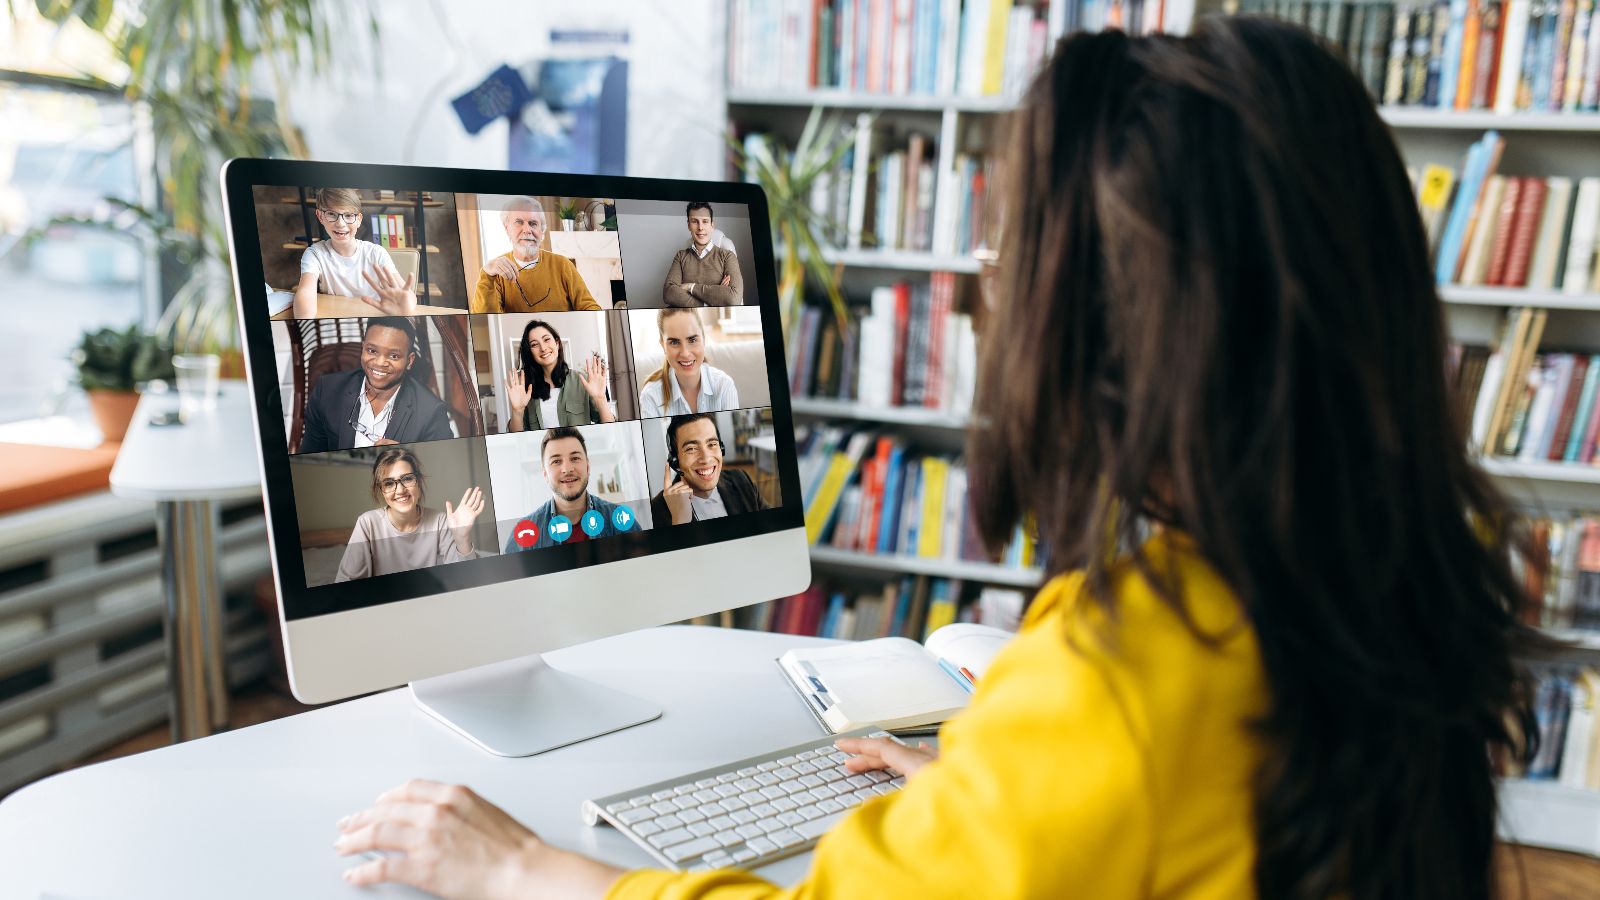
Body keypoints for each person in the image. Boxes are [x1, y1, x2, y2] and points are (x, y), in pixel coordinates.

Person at [333, 20, 1539, 899]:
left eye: (1012, 256)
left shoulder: (1126, 677)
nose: (983, 290)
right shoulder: (1396, 577)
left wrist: (522, 869)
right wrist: (995, 806)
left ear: (1123, 335)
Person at [298, 317, 455, 454]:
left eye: (394, 356)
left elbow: (443, 468)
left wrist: (407, 457)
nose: (379, 363)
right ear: (363, 348)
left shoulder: (432, 412)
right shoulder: (327, 390)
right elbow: (309, 454)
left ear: (409, 361)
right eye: (372, 351)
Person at [334, 448, 486, 582]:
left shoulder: (439, 521)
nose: (400, 490)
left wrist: (462, 538)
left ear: (419, 483)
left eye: (407, 479)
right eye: (389, 483)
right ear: (381, 491)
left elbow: (468, 577)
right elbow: (345, 583)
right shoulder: (368, 523)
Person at [291, 187, 418, 319]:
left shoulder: (376, 253)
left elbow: (405, 294)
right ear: (320, 216)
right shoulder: (315, 253)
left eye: (349, 215)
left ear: (359, 219)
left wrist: (407, 305)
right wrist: (305, 322)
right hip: (337, 322)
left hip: (373, 321)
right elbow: (306, 291)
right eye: (331, 214)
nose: (340, 223)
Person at [501, 427, 631, 552]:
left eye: (575, 458)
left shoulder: (621, 520)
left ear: (588, 467)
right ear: (545, 473)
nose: (567, 469)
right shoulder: (523, 536)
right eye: (556, 461)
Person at [473, 196, 602, 313]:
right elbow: (485, 319)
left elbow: (590, 308)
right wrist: (486, 274)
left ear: (542, 231)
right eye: (519, 222)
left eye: (533, 223)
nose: (527, 230)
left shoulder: (562, 265)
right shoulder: (496, 272)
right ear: (507, 228)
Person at [650, 414, 767, 526]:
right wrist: (680, 521)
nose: (706, 459)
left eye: (712, 444)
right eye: (691, 448)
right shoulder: (656, 510)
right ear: (675, 460)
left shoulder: (740, 479)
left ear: (721, 449)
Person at [504, 318, 617, 432]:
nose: (543, 348)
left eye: (546, 339)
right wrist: (517, 411)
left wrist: (600, 399)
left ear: (557, 343)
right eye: (534, 345)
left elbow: (611, 431)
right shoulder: (526, 390)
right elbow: (517, 437)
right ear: (530, 352)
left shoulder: (582, 381)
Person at [638, 309, 739, 418]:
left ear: (704, 339)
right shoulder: (650, 396)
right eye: (674, 342)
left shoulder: (724, 386)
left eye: (692, 340)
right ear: (663, 345)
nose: (685, 353)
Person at [663, 201, 743, 307]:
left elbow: (733, 298)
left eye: (705, 221)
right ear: (689, 226)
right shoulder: (681, 256)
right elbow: (669, 294)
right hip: (685, 319)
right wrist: (713, 300)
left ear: (712, 225)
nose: (700, 227)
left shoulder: (727, 256)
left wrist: (690, 287)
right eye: (695, 221)